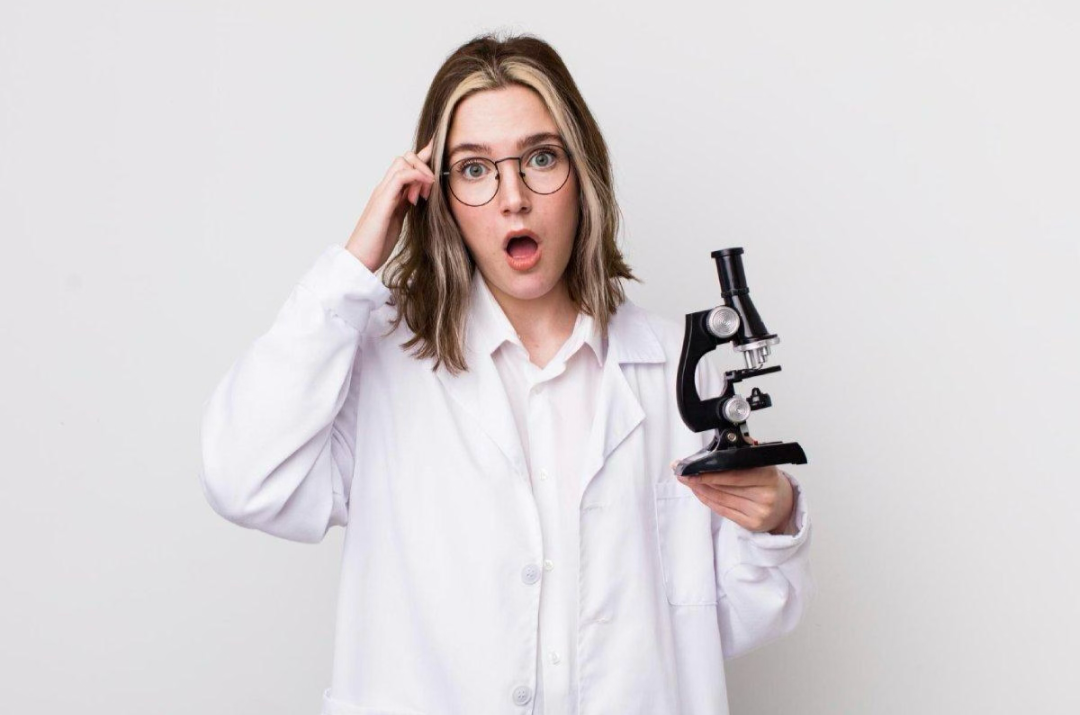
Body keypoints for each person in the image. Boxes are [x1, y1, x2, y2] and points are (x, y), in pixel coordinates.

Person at [199, 30, 813, 715]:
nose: (513, 197)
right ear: (437, 198)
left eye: (541, 158)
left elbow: (731, 622)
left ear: (583, 174)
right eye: (474, 169)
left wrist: (774, 521)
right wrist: (354, 265)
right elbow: (242, 476)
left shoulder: (674, 365)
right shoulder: (382, 362)